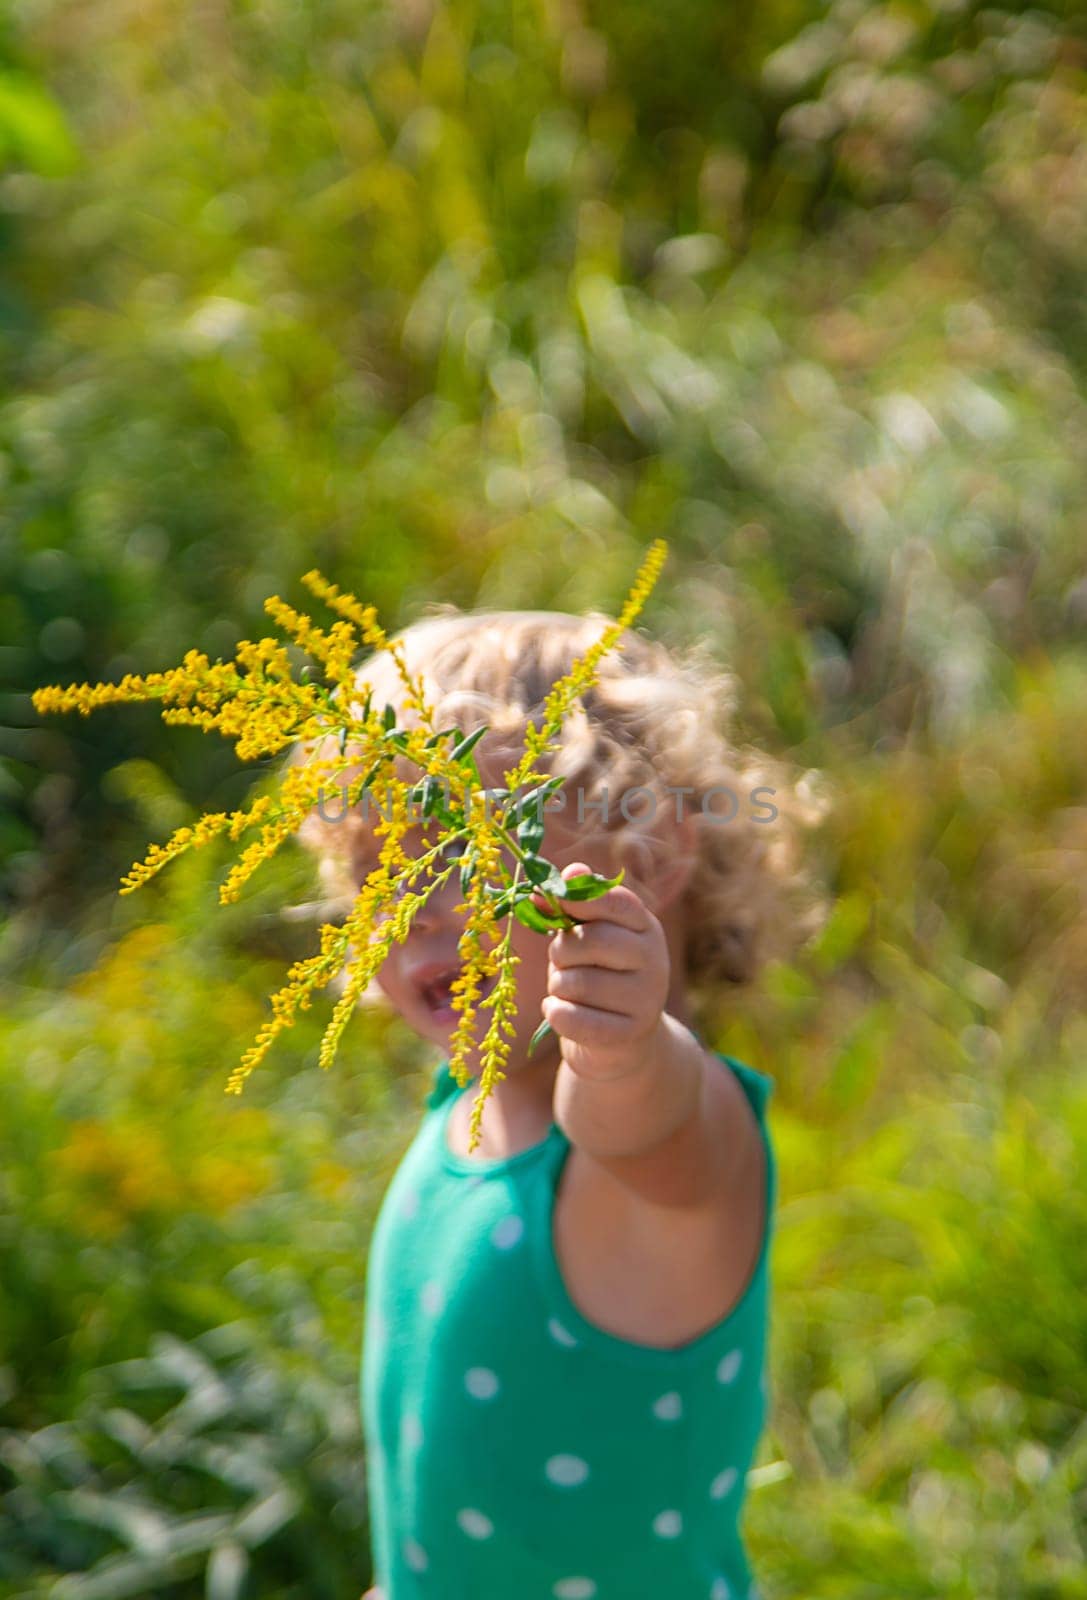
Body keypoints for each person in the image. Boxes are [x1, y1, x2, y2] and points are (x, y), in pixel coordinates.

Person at [292, 604, 827, 1600]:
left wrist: (621, 1048)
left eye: (465, 852)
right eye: (380, 870)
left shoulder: (672, 1126)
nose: (415, 906)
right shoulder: (468, 1104)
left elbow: (640, 1117)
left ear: (651, 858)